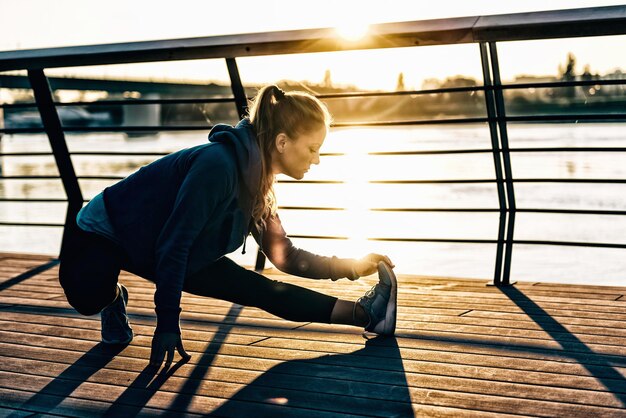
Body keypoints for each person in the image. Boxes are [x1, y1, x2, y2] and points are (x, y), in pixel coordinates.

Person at [58, 85, 398, 369]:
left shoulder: (259, 184)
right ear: (282, 142)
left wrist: (353, 267)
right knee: (87, 299)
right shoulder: (217, 167)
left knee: (258, 290)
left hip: (172, 245)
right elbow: (173, 246)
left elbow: (287, 257)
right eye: (312, 148)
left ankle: (365, 314)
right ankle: (114, 298)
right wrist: (166, 323)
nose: (317, 159)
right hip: (108, 231)